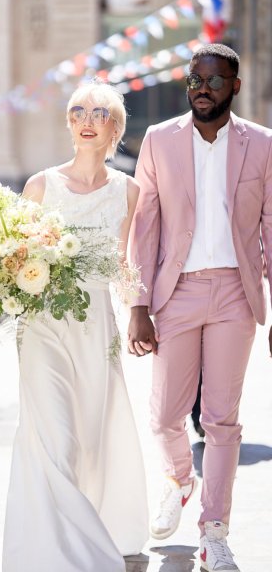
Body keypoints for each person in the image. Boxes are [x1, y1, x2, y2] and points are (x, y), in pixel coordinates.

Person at [128, 43, 272, 572]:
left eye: (215, 81)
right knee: (166, 414)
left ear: (234, 86)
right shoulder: (159, 140)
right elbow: (145, 226)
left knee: (222, 421)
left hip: (237, 291)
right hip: (176, 292)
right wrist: (138, 302)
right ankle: (179, 478)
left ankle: (215, 532)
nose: (203, 89)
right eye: (195, 79)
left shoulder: (262, 144)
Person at [0, 80, 149, 571]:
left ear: (115, 129)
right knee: (55, 439)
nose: (86, 119)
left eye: (99, 113)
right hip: (42, 328)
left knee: (88, 440)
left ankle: (77, 531)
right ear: (68, 123)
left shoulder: (130, 192)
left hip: (96, 327)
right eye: (77, 110)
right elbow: (11, 261)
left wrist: (139, 315)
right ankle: (72, 553)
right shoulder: (41, 186)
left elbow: (126, 265)